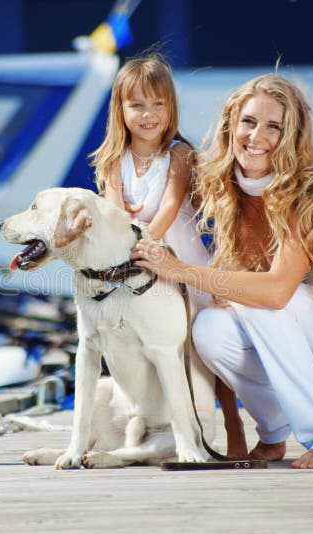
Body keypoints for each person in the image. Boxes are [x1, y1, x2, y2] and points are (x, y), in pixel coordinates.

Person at [131, 73, 313, 468]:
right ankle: (273, 432)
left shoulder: (306, 185)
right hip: (282, 323)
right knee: (209, 330)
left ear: (291, 136)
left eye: (274, 127)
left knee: (256, 304)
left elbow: (276, 292)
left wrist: (180, 270)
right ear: (232, 123)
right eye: (249, 122)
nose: (257, 136)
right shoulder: (221, 181)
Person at [90, 53, 249, 459]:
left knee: (201, 345)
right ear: (120, 110)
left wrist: (146, 244)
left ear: (171, 107)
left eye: (158, 104)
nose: (149, 114)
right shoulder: (113, 160)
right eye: (137, 105)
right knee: (159, 347)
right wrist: (127, 253)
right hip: (139, 265)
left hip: (178, 260)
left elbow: (168, 207)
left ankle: (232, 423)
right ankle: (162, 424)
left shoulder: (178, 154)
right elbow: (112, 212)